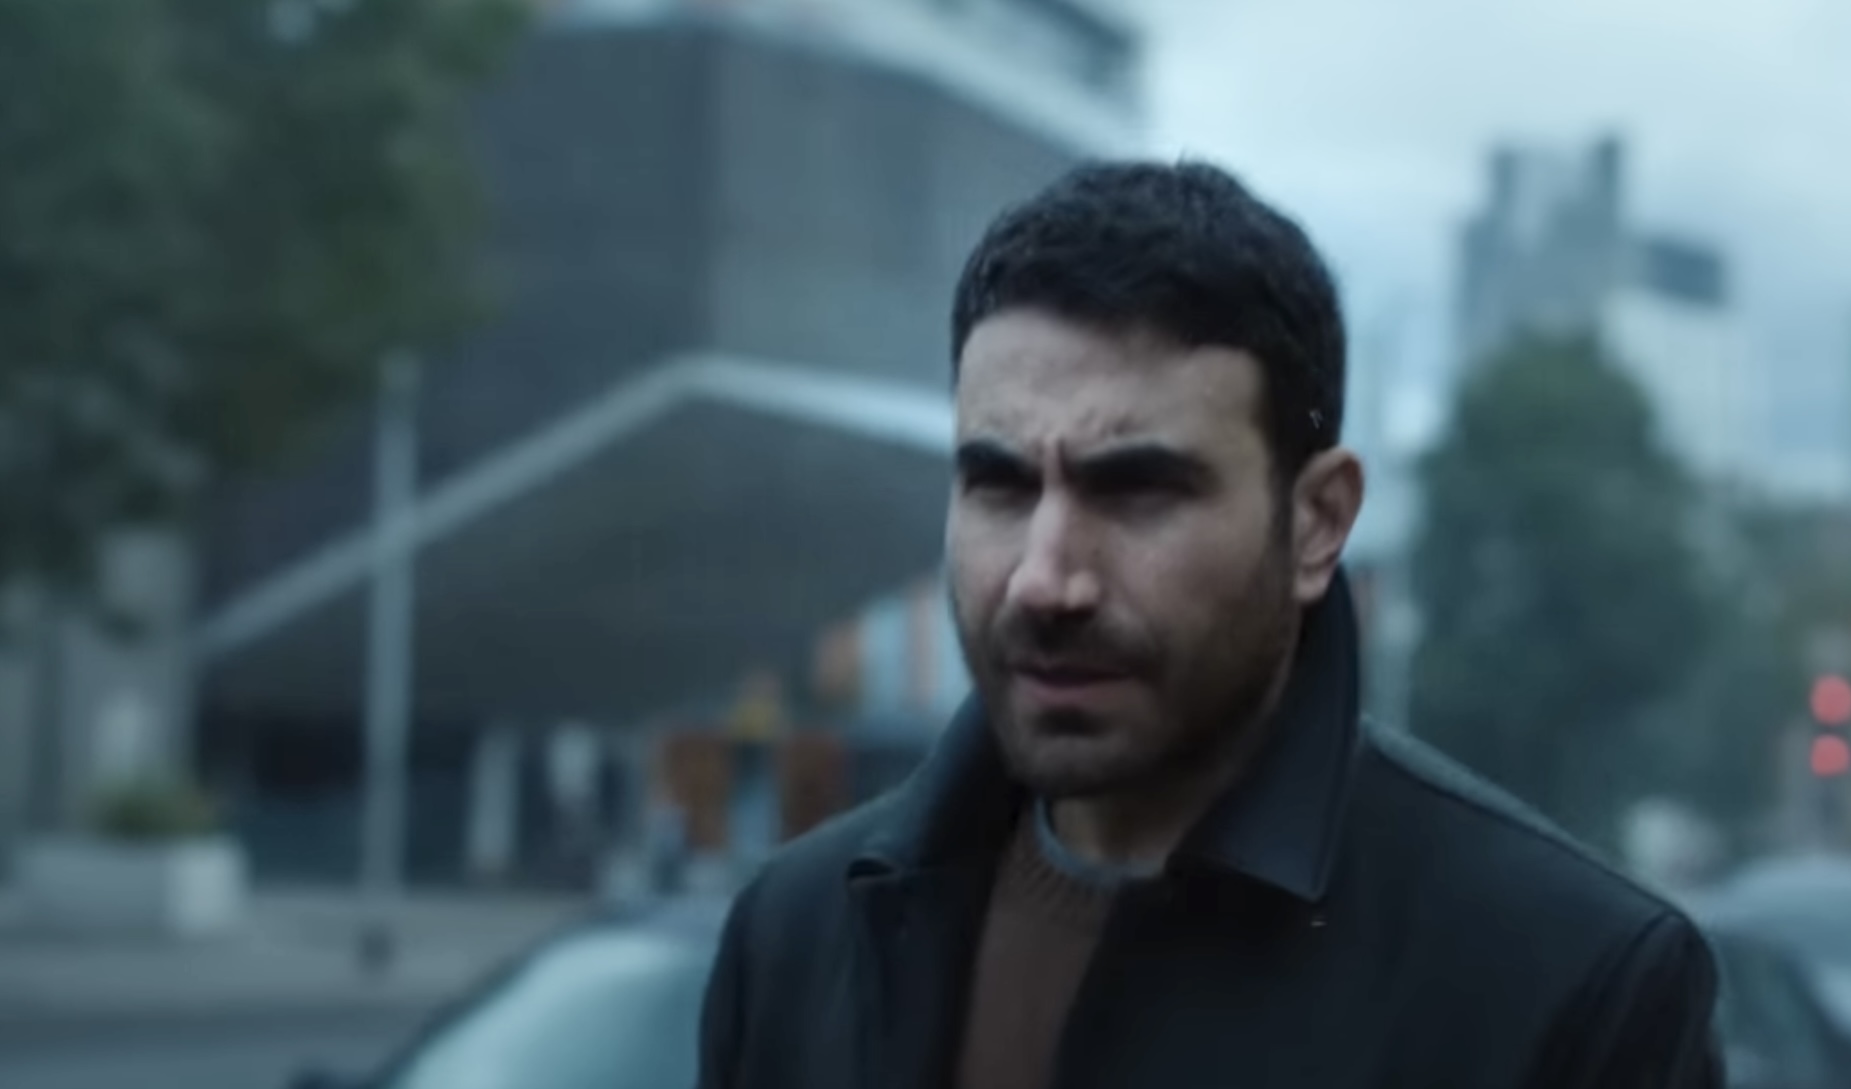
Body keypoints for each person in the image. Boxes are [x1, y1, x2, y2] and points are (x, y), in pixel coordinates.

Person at [696, 161, 1723, 1089]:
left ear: (1316, 523)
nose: (1046, 580)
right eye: (1000, 486)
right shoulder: (794, 937)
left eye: (1137, 490)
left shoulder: (1569, 988)